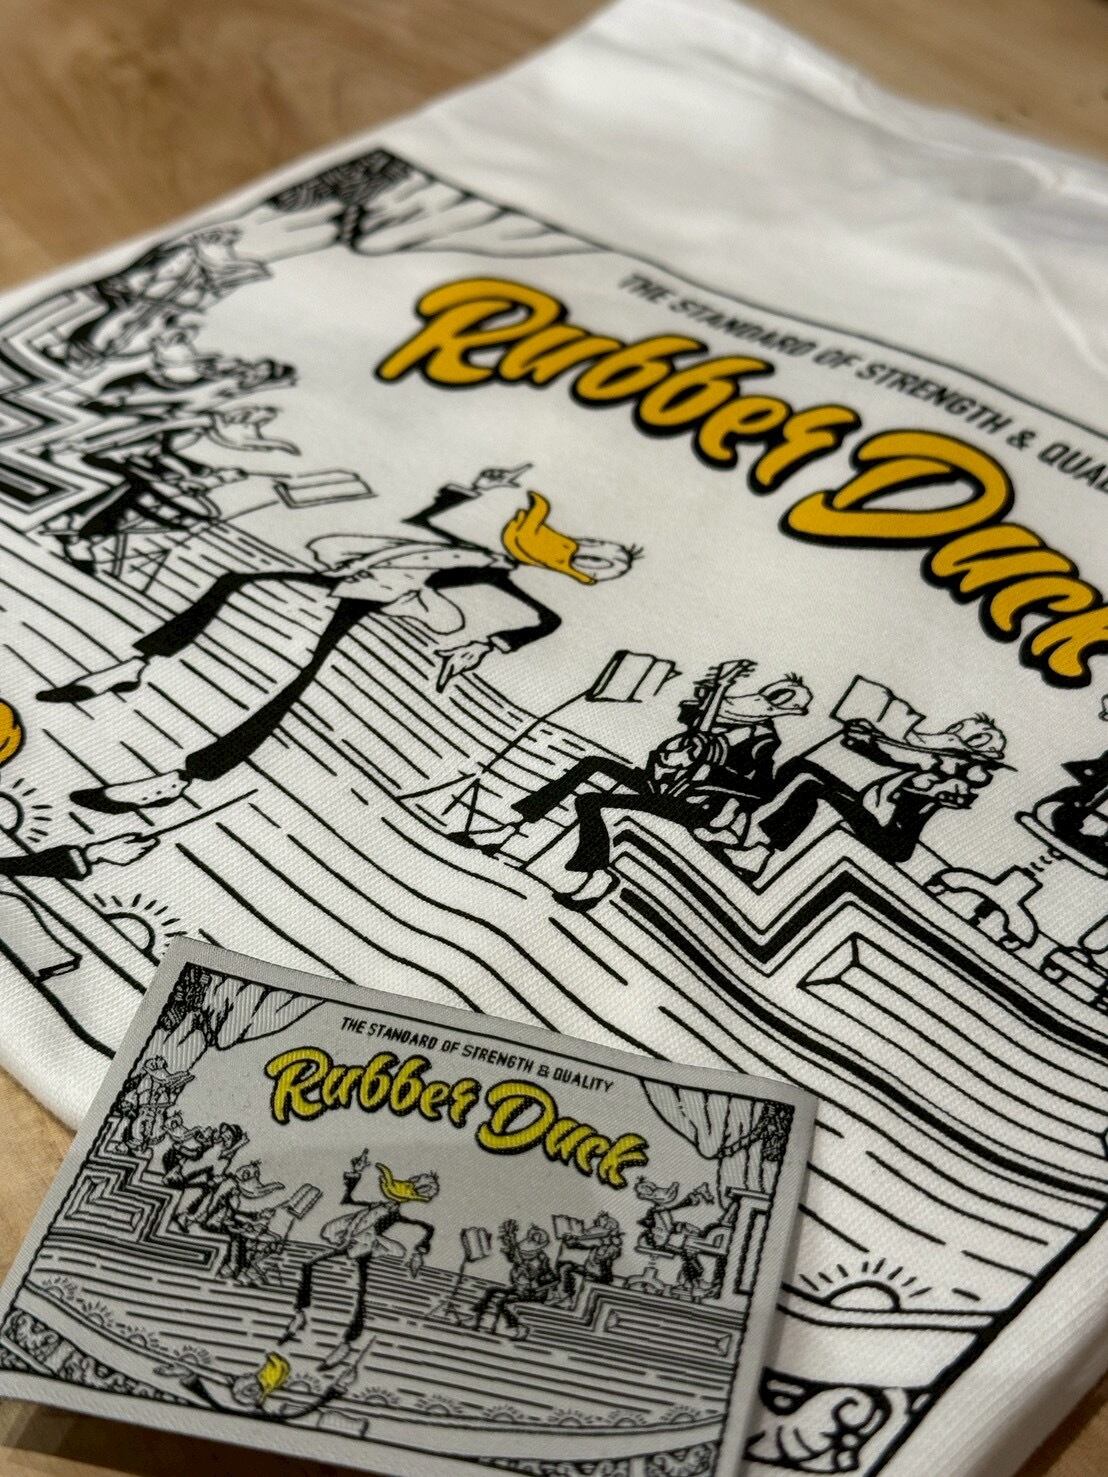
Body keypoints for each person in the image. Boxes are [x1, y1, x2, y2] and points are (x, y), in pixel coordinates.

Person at [38, 467, 638, 816]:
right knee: (236, 582)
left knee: (287, 687)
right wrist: (472, 492)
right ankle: (134, 665)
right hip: (343, 583)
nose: (593, 557)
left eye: (601, 563)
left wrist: (486, 645)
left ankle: (180, 779)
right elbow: (423, 524)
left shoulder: (495, 578)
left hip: (365, 610)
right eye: (598, 552)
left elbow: (544, 621)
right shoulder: (478, 552)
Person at [486, 663, 812, 911]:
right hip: (660, 781)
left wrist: (711, 774)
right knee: (593, 764)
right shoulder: (726, 713)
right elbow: (697, 727)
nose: (765, 700)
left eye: (779, 701)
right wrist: (718, 688)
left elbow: (761, 791)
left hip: (692, 805)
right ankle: (510, 827)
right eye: (771, 694)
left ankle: (598, 875)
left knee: (591, 802)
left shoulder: (764, 740)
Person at [41, 404, 298, 576]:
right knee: (134, 486)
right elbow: (146, 435)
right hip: (94, 454)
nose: (249, 430)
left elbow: (160, 453)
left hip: (114, 456)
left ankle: (82, 533)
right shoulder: (196, 421)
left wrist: (200, 475)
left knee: (143, 487)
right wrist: (87, 444)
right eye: (251, 422)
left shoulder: (196, 428)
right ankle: (76, 531)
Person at [753, 711, 1008, 867]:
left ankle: (763, 850)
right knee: (802, 766)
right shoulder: (935, 763)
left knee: (812, 787)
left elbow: (895, 753)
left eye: (956, 735)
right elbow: (890, 754)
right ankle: (754, 801)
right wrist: (866, 738)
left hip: (888, 838)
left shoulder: (952, 777)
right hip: (873, 813)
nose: (948, 735)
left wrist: (869, 739)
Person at [283, 1157, 439, 1367]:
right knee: (312, 1267)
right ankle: (302, 1315)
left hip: (364, 1246)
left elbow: (428, 1228)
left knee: (359, 1291)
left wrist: (420, 1251)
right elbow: (348, 1199)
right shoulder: (377, 1205)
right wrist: (354, 1175)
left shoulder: (395, 1215)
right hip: (349, 1239)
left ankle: (346, 1341)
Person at [468, 1220, 562, 1339]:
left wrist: (536, 1287)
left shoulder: (541, 1262)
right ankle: (476, 1319)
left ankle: (519, 1327)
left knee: (502, 1302)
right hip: (520, 1289)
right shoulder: (524, 1258)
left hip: (534, 1294)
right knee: (491, 1290)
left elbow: (554, 1281)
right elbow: (516, 1256)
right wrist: (510, 1239)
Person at [559, 1210, 623, 1298]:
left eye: (599, 1228)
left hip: (598, 1276)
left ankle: (569, 1295)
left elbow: (602, 1259)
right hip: (589, 1271)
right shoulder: (599, 1243)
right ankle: (567, 1294)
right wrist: (571, 1241)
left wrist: (595, 1245)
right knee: (565, 1268)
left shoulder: (613, 1248)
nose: (595, 1230)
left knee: (584, 1287)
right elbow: (581, 1246)